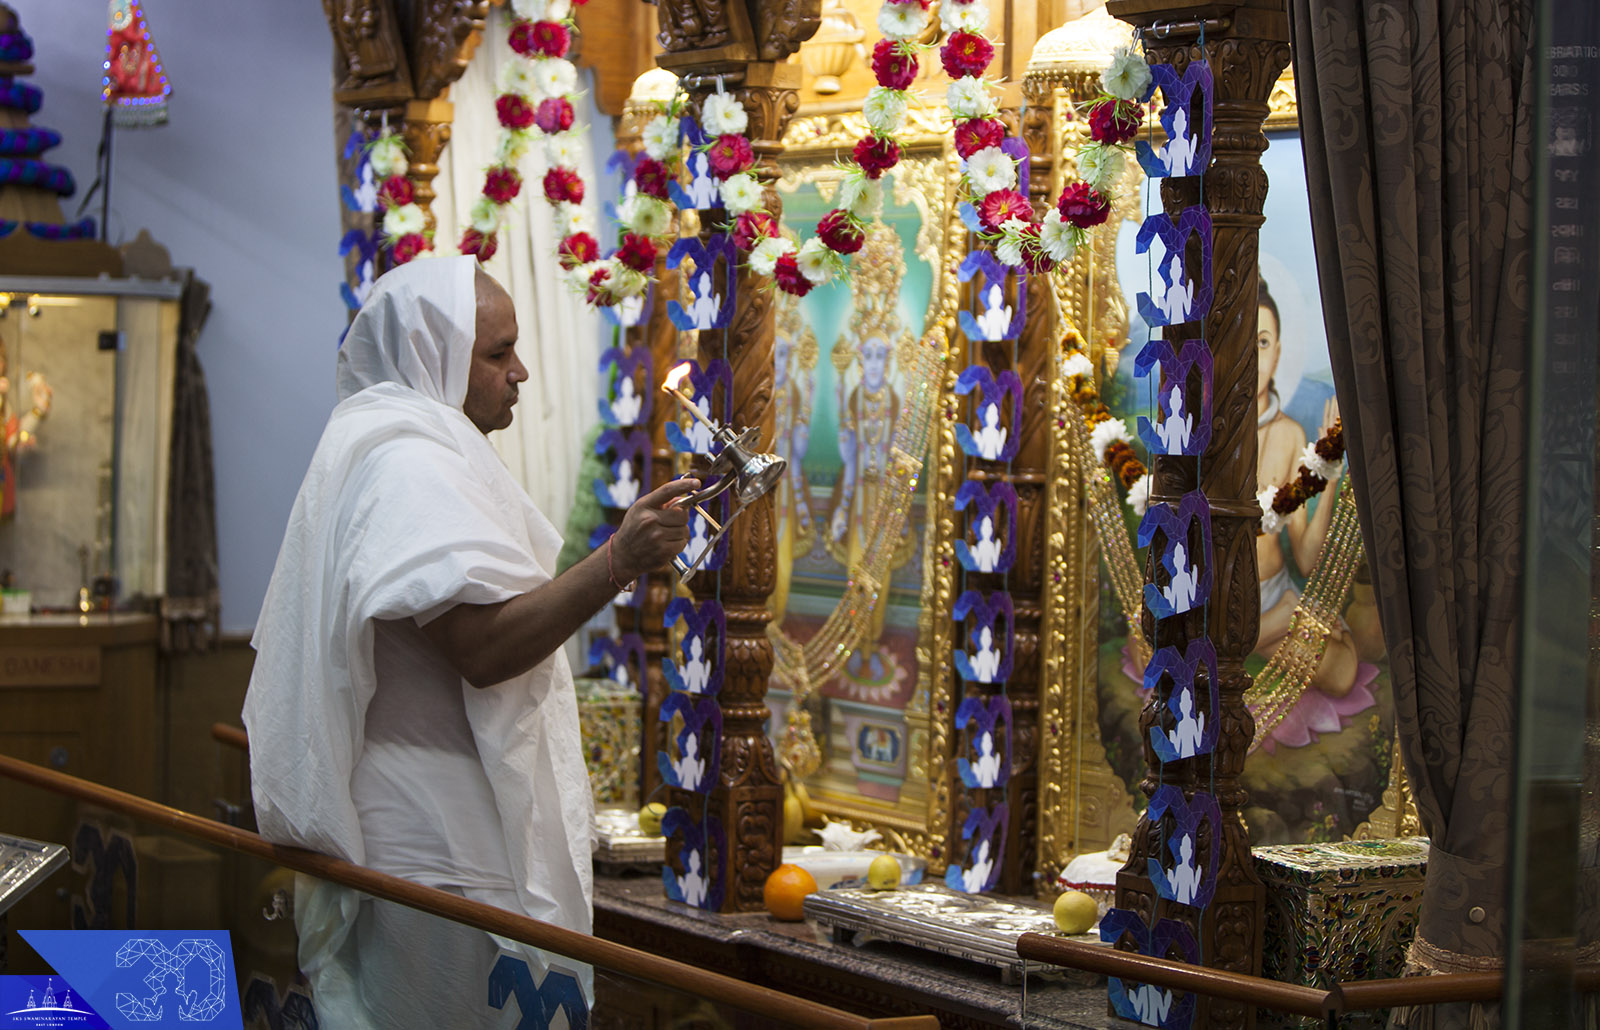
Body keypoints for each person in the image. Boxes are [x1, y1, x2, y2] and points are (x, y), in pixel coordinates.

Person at [242, 257, 695, 1028]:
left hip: (434, 828)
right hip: (431, 844)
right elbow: (482, 651)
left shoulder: (401, 445)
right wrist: (620, 561)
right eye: (497, 353)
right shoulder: (409, 463)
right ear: (432, 355)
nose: (519, 372)